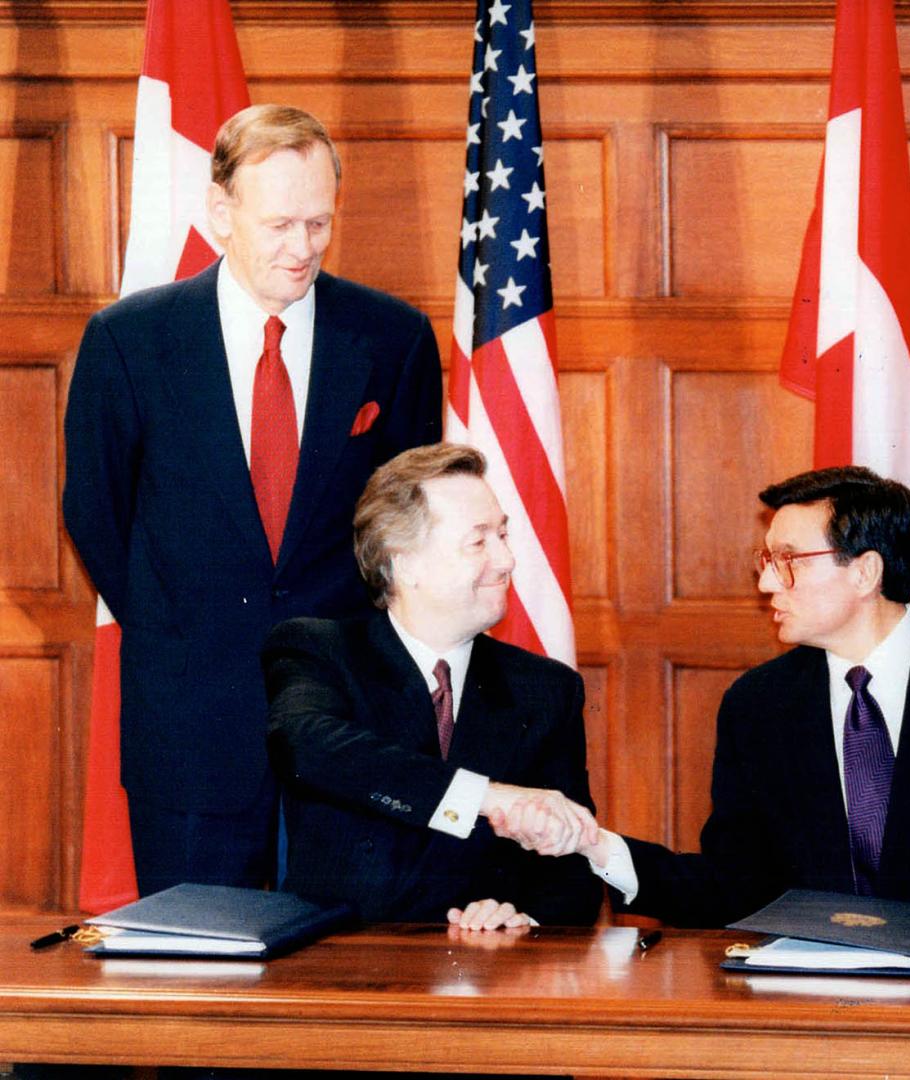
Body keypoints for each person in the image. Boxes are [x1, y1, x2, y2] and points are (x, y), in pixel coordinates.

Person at [63, 104, 444, 895]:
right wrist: (183, 622)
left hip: (351, 731)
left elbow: (412, 522)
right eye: (279, 225)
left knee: (345, 987)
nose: (301, 248)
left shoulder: (392, 339)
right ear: (219, 210)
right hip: (191, 729)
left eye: (318, 223)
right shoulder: (130, 343)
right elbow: (95, 511)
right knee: (198, 985)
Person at [569, 466, 910, 939]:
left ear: (865, 572)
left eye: (789, 560)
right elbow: (735, 886)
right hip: (815, 1014)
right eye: (766, 559)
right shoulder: (757, 706)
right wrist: (602, 850)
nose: (764, 582)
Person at [263, 443, 602, 928]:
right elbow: (308, 748)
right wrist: (487, 797)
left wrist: (522, 916)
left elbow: (574, 871)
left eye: (504, 535)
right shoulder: (320, 651)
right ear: (403, 562)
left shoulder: (546, 689)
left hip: (483, 982)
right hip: (342, 969)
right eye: (479, 541)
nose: (507, 560)